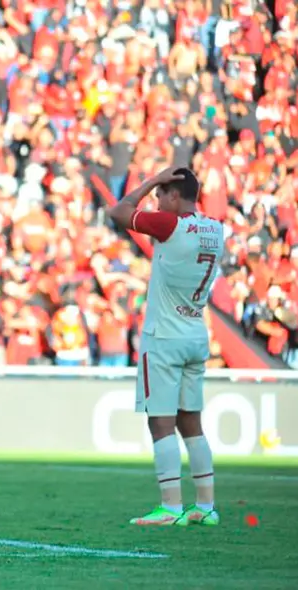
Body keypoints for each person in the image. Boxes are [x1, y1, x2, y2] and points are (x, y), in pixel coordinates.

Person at [107, 167, 224, 527]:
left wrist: (150, 181)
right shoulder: (216, 229)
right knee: (192, 423)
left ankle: (170, 508)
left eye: (161, 195)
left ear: (174, 195)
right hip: (195, 332)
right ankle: (205, 507)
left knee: (161, 423)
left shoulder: (169, 226)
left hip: (164, 336)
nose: (157, 201)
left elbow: (118, 212)